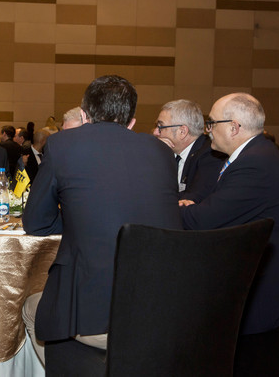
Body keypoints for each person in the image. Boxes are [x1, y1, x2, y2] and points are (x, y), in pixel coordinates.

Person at [22, 75, 182, 367]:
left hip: (95, 315)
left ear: (83, 115)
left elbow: (35, 222)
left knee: (32, 308)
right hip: (163, 307)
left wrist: (76, 217)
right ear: (132, 122)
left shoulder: (60, 145)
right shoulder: (163, 151)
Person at [179, 93, 279, 372]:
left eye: (212, 123)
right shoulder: (254, 154)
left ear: (234, 127)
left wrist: (170, 207)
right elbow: (219, 205)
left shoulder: (255, 163)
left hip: (268, 288)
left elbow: (202, 221)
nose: (208, 129)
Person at [153, 99, 226, 202]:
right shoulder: (168, 154)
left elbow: (193, 198)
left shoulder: (211, 155)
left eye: (161, 127)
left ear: (182, 131)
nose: (156, 132)